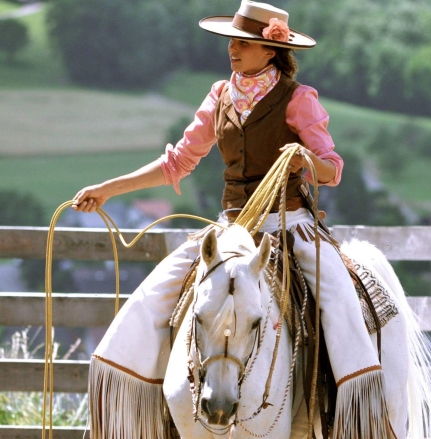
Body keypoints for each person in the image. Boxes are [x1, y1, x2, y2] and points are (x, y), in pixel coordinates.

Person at [73, 1, 397, 438]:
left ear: (270, 50)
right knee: (151, 299)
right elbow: (178, 162)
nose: (233, 49)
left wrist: (305, 158)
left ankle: (357, 418)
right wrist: (107, 189)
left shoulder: (298, 100)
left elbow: (332, 169)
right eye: (232, 41)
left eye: (244, 42)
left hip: (289, 228)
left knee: (339, 305)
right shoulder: (220, 96)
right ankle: (138, 414)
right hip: (231, 230)